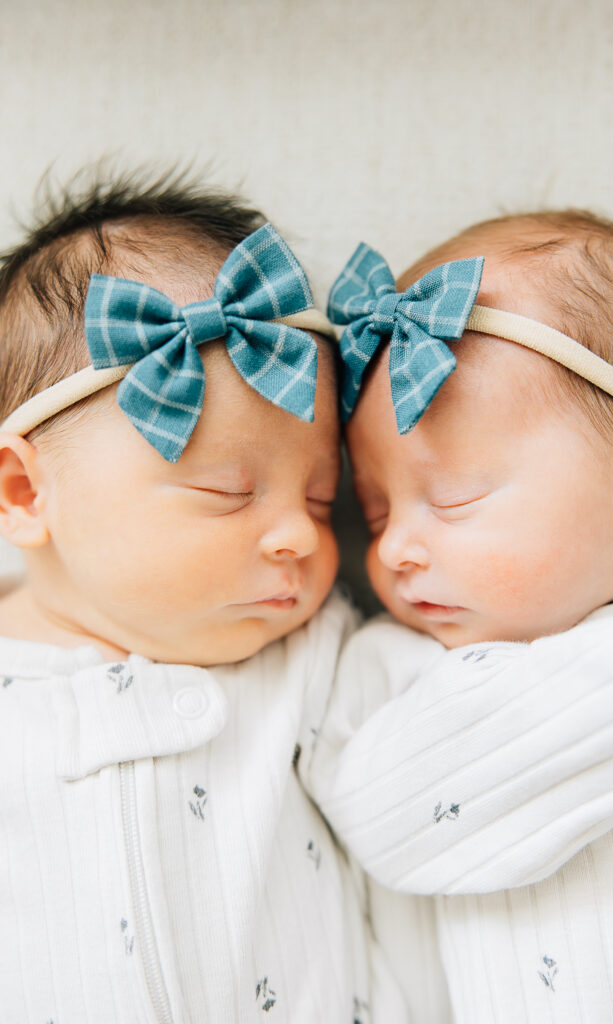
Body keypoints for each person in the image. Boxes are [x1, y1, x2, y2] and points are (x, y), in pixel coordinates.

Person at [0, 171, 414, 1024]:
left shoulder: (317, 662)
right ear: (23, 491)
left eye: (318, 498)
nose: (300, 537)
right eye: (229, 492)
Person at [307, 210, 613, 1022]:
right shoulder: (390, 668)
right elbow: (387, 817)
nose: (397, 550)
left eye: (454, 498)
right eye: (373, 515)